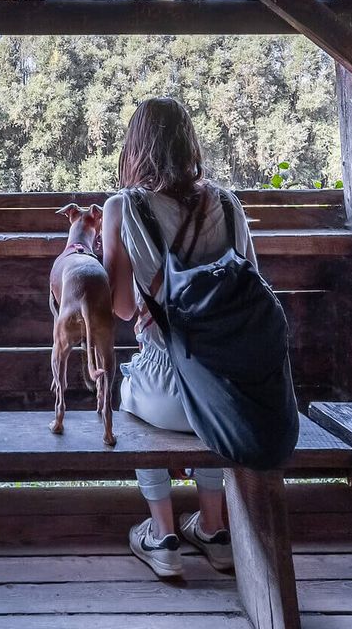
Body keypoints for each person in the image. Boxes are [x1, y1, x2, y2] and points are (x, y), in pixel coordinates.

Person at [99, 96, 252, 580]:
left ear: (136, 148)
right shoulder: (228, 204)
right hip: (228, 382)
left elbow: (121, 307)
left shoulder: (123, 207)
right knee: (208, 409)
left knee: (129, 398)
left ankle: (163, 535)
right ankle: (213, 528)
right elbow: (251, 288)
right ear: (189, 144)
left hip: (165, 389)